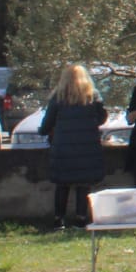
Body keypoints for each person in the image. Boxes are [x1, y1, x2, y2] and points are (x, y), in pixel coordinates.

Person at [41, 64, 107, 228]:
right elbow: (102, 118)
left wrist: (43, 131)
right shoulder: (92, 96)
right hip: (87, 148)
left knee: (62, 184)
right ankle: (81, 218)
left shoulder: (58, 97)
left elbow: (47, 123)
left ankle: (59, 219)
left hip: (63, 148)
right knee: (83, 184)